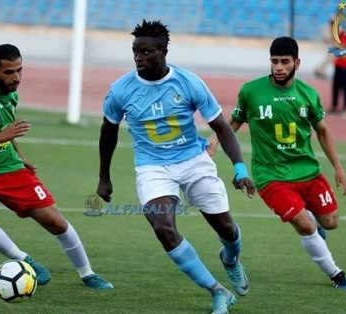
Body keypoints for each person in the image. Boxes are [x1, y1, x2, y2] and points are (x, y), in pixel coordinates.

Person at [96, 20, 255, 314]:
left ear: (164, 51)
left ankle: (230, 258)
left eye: (146, 52)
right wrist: (104, 177)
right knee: (163, 227)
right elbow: (109, 131)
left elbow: (222, 127)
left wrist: (240, 169)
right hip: (152, 167)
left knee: (228, 230)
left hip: (194, 161)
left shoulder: (189, 82)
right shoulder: (121, 90)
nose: (139, 58)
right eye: (135, 52)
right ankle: (218, 292)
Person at [0, 44, 113, 291]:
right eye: (9, 72)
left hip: (9, 167)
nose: (16, 78)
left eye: (19, 71)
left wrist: (20, 156)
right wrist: (0, 136)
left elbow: (5, 127)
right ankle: (24, 259)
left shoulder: (11, 93)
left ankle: (87, 274)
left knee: (56, 222)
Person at [207, 37, 346, 291]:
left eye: (285, 62)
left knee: (330, 222)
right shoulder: (251, 91)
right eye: (274, 61)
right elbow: (233, 122)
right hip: (270, 175)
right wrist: (214, 140)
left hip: (308, 171)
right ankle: (337, 275)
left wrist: (338, 168)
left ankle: (316, 229)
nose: (278, 67)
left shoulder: (308, 94)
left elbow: (322, 131)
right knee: (305, 224)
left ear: (297, 63)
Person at [330, 31, 346, 117]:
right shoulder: (340, 34)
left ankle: (345, 107)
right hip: (338, 64)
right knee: (336, 85)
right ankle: (334, 106)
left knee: (345, 86)